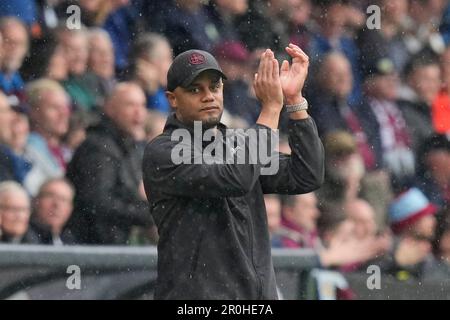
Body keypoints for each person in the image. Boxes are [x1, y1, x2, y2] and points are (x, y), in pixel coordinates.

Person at [142, 44, 325, 299]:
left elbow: (306, 174)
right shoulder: (163, 151)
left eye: (214, 87)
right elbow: (236, 178)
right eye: (195, 89)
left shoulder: (238, 144)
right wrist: (271, 109)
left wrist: (294, 102)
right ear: (172, 98)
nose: (208, 96)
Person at [66, 82, 153, 244]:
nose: (138, 112)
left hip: (115, 243)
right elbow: (99, 201)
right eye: (130, 105)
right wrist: (147, 214)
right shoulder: (98, 147)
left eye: (142, 105)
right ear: (110, 109)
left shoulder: (131, 147)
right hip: (92, 245)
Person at [29, 178, 76, 245]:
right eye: (50, 196)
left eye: (63, 199)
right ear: (36, 201)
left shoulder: (71, 242)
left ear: (70, 209)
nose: (56, 204)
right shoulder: (23, 238)